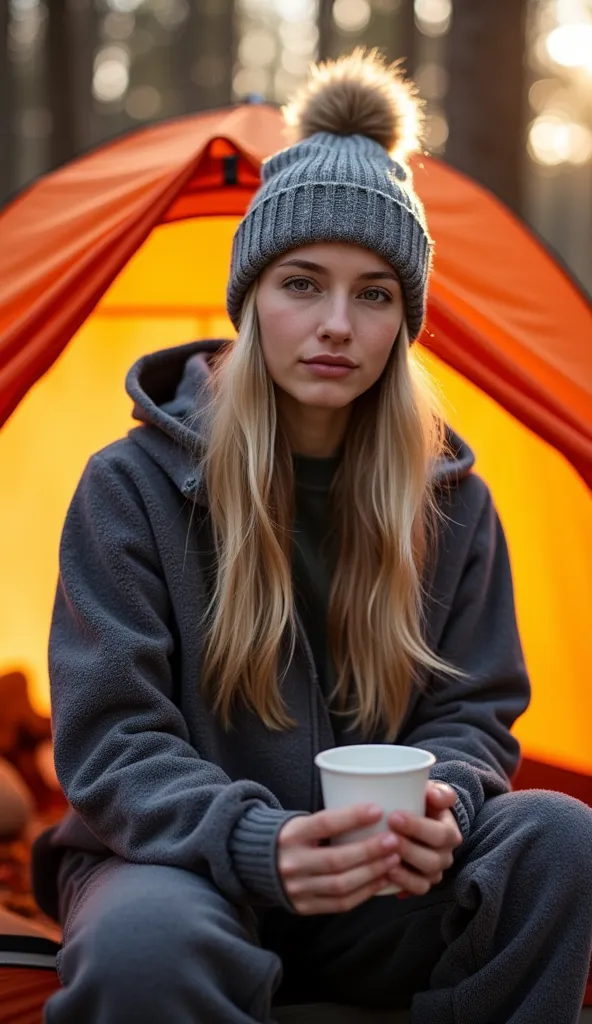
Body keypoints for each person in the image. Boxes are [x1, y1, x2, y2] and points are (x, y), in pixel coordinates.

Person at [32, 49, 591, 1024]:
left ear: (403, 323)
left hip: (381, 882)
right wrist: (257, 843)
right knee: (144, 950)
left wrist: (446, 808)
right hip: (179, 864)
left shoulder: (452, 503)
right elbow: (113, 740)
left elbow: (475, 711)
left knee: (559, 841)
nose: (336, 324)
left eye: (374, 293)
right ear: (251, 297)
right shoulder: (131, 487)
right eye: (302, 283)